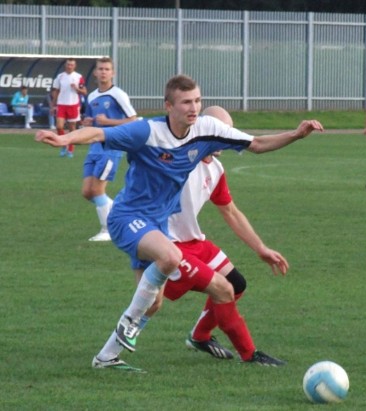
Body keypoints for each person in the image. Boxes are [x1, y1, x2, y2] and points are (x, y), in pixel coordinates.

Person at [35, 74, 324, 365]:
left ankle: (107, 357)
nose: (193, 107)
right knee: (172, 257)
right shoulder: (147, 131)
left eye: (197, 100)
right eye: (186, 102)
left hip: (156, 226)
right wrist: (64, 138)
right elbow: (98, 134)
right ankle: (129, 322)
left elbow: (257, 143)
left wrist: (295, 134)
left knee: (153, 303)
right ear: (168, 105)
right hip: (127, 218)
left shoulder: (207, 130)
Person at [92, 106, 289, 372]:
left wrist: (261, 248)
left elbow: (230, 211)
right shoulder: (180, 162)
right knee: (218, 291)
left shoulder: (216, 168)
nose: (227, 136)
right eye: (223, 130)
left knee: (235, 284)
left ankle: (199, 336)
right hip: (167, 243)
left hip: (195, 241)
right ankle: (250, 354)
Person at [81, 57, 138, 242]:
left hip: (111, 148)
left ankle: (108, 230)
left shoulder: (118, 94)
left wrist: (109, 122)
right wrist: (87, 122)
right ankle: (119, 213)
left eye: (107, 69)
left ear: (113, 73)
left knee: (98, 190)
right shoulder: (92, 96)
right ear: (95, 72)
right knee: (87, 192)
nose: (103, 72)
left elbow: (133, 120)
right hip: (94, 148)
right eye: (100, 69)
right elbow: (91, 120)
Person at [51, 58, 87, 158]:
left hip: (73, 105)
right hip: (61, 104)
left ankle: (70, 149)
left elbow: (84, 91)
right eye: (68, 64)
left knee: (72, 129)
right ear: (65, 65)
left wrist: (77, 88)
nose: (69, 66)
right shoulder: (60, 76)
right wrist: (53, 105)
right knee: (59, 126)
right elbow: (56, 91)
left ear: (74, 66)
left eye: (71, 65)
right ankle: (63, 145)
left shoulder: (78, 77)